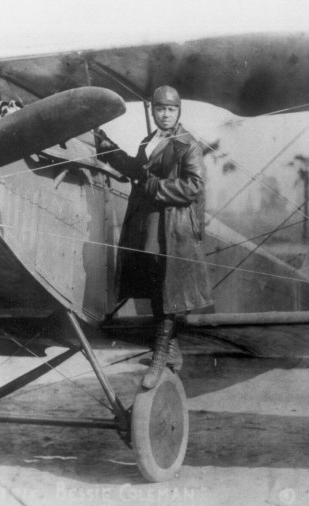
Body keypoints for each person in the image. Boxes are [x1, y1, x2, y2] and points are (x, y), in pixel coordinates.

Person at [96, 85, 213, 389]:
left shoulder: (187, 145)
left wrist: (155, 188)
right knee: (154, 284)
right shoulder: (150, 140)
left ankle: (161, 354)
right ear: (153, 111)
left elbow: (193, 186)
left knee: (167, 290)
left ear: (178, 111)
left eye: (170, 109)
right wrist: (107, 147)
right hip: (148, 225)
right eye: (160, 109)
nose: (164, 114)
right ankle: (171, 350)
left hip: (171, 229)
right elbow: (136, 170)